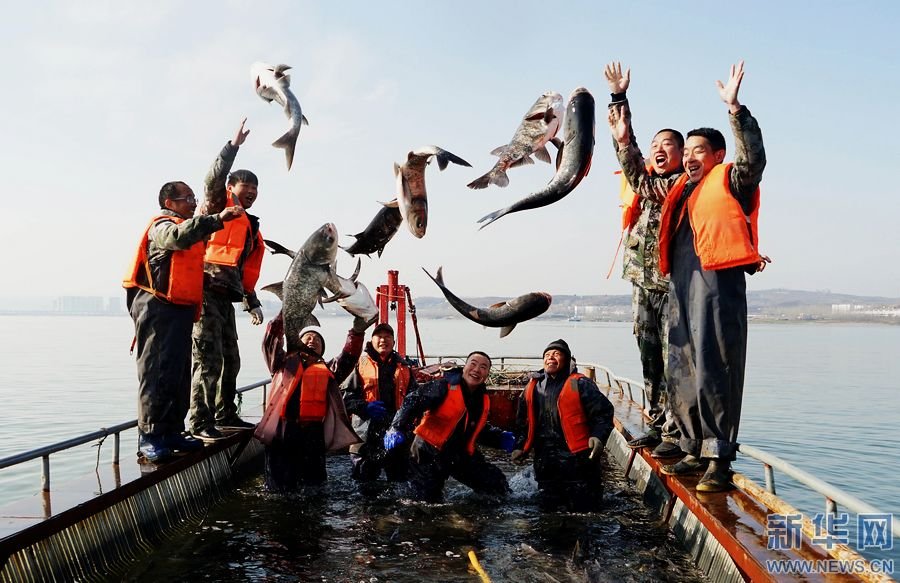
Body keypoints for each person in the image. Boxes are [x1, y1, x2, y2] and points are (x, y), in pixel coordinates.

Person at [623, 61, 766, 492]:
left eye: (697, 151)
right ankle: (690, 446)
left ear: (718, 156)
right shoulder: (678, 189)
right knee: (682, 367)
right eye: (687, 153)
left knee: (715, 368)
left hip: (717, 284)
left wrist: (736, 111)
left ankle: (719, 459)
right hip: (681, 285)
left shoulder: (733, 179)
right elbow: (636, 172)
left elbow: (754, 159)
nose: (689, 158)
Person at [123, 181, 244, 463]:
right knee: (156, 372)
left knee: (179, 373)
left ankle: (174, 431)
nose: (192, 202)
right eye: (186, 198)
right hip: (157, 308)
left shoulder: (188, 228)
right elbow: (178, 237)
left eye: (193, 197)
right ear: (169, 202)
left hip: (181, 310)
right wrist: (216, 219)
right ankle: (150, 436)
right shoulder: (163, 226)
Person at [604, 61, 684, 459]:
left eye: (668, 144)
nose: (659, 149)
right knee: (648, 356)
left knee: (674, 362)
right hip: (642, 282)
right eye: (656, 145)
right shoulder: (652, 181)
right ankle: (655, 423)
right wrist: (619, 103)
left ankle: (675, 431)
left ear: (683, 153)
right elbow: (636, 173)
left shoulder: (682, 185)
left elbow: (639, 178)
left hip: (672, 288)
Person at [189, 118, 266, 440]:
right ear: (232, 188)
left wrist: (253, 304)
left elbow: (245, 269)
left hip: (226, 296)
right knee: (208, 359)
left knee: (230, 359)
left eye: (254, 191)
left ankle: (225, 413)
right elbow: (214, 177)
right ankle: (198, 422)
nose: (249, 194)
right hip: (204, 291)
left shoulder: (251, 225)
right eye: (244, 189)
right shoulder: (218, 204)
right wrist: (232, 146)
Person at [256, 311, 373, 491]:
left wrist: (356, 334)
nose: (312, 340)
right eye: (308, 337)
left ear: (322, 350)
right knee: (278, 488)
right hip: (283, 432)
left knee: (315, 487)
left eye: (317, 340)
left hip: (313, 434)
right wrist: (285, 313)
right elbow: (271, 339)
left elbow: (348, 357)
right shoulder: (280, 362)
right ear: (296, 343)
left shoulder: (328, 369)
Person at [383, 351, 514, 503]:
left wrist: (498, 438)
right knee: (427, 501)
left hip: (458, 453)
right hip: (428, 451)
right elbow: (412, 401)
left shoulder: (482, 398)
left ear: (487, 374)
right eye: (473, 364)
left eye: (483, 367)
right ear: (464, 368)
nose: (477, 370)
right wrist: (396, 427)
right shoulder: (442, 386)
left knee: (496, 484)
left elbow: (475, 429)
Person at [510, 339, 615, 511]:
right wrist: (520, 446)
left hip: (579, 461)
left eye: (556, 354)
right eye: (547, 355)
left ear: (566, 359)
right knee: (548, 509)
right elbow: (523, 423)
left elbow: (603, 412)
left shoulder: (580, 384)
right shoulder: (532, 387)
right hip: (545, 460)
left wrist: (598, 436)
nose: (551, 358)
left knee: (586, 510)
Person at [341, 323, 418, 482]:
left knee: (399, 483)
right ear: (372, 340)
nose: (383, 340)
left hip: (395, 433)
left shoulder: (404, 367)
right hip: (365, 434)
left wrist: (404, 427)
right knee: (364, 484)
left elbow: (414, 400)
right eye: (379, 337)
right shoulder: (359, 365)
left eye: (388, 337)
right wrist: (364, 407)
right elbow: (345, 398)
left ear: (393, 342)